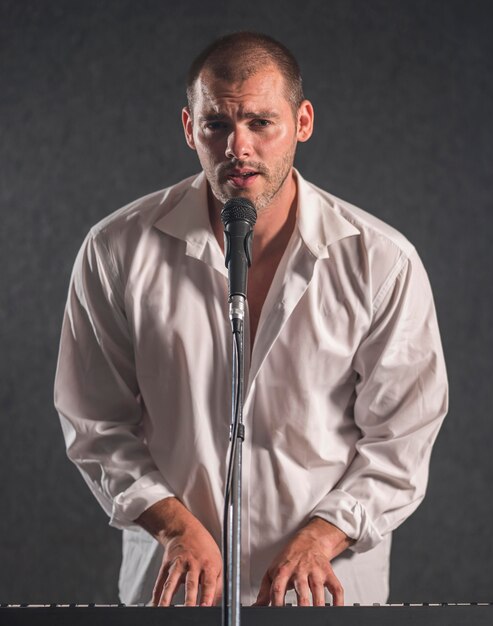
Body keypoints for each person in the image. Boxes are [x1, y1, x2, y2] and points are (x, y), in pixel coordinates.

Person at [54, 32, 448, 608]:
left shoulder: (381, 261)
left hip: (326, 591)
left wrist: (322, 536)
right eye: (216, 125)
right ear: (189, 127)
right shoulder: (115, 250)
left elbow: (402, 438)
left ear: (303, 121)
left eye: (261, 122)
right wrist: (173, 527)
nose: (239, 147)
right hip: (175, 590)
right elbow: (95, 424)